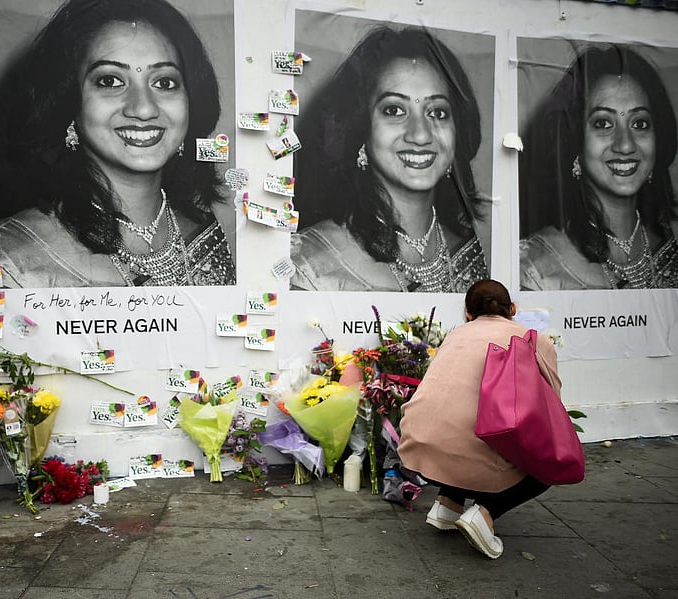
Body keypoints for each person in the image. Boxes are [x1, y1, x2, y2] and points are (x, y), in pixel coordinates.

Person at [0, 0, 235, 287]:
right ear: (68, 102)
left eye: (164, 82)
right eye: (110, 81)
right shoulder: (11, 260)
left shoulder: (204, 231)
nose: (143, 109)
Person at [290, 26, 489, 292]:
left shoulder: (479, 255)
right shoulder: (311, 267)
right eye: (394, 110)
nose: (420, 134)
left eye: (438, 112)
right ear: (360, 127)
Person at [397, 279, 562, 559]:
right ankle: (485, 514)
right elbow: (551, 406)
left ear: (468, 314)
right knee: (547, 462)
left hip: (418, 446)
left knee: (461, 425)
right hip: (471, 446)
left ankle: (448, 503)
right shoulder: (533, 339)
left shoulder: (455, 335)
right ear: (513, 308)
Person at [519, 44, 678, 290]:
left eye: (640, 123)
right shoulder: (535, 267)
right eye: (603, 123)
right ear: (575, 143)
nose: (625, 145)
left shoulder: (671, 247)